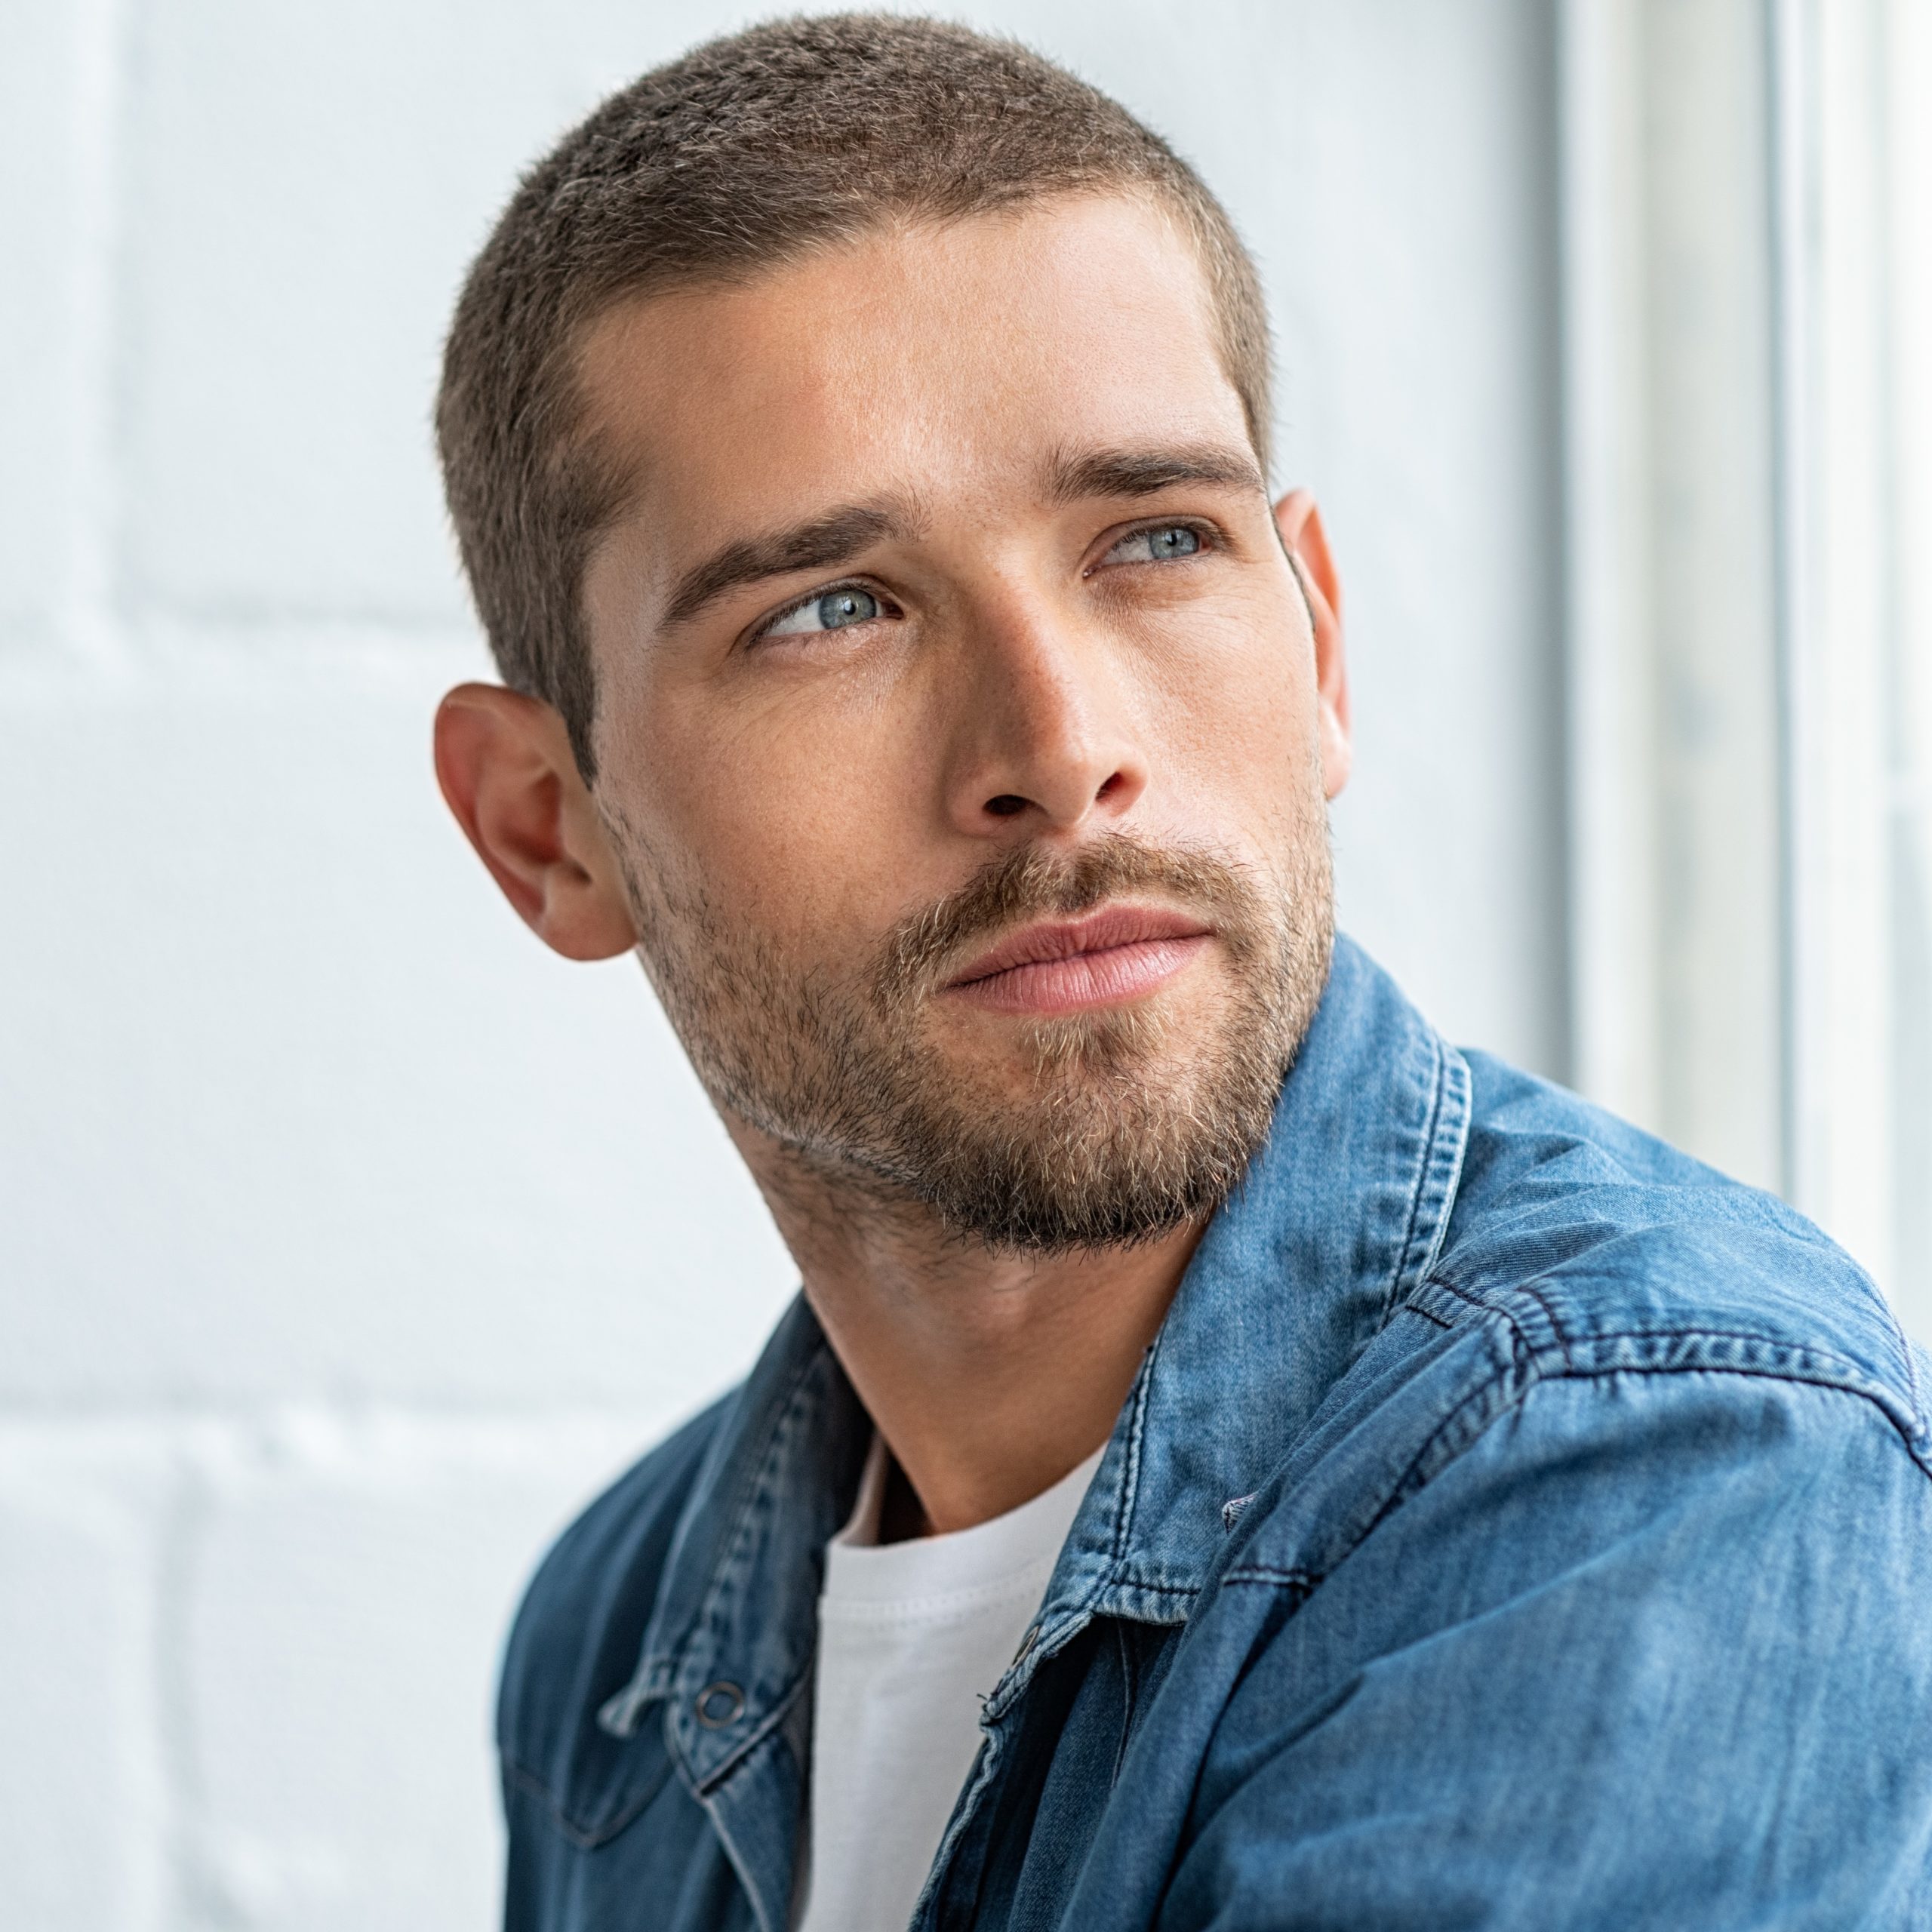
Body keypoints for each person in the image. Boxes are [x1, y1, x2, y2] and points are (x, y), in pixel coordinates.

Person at [430, 16, 1932, 1930]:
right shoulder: (622, 1644)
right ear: (546, 827)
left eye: (1152, 538)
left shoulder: (1652, 1452)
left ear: (1315, 650)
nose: (1058, 744)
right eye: (830, 609)